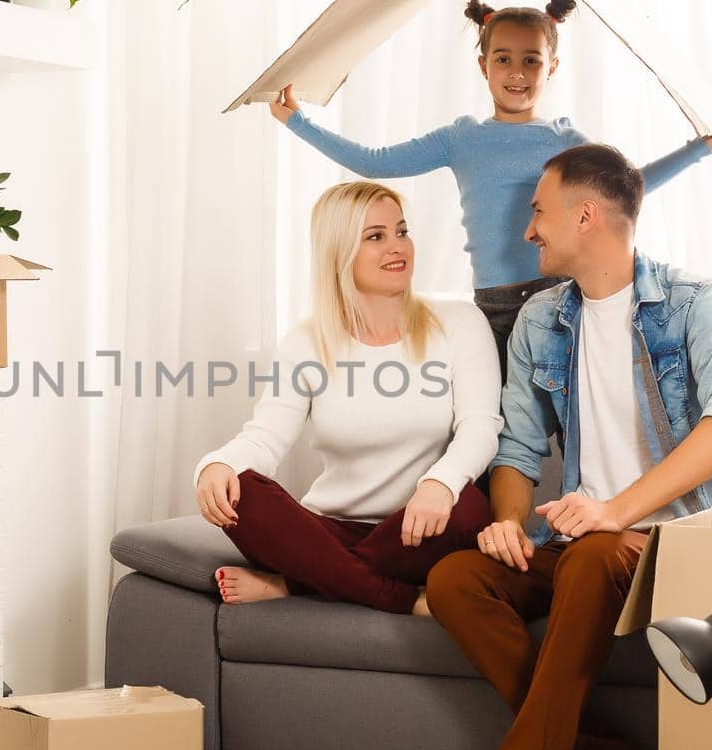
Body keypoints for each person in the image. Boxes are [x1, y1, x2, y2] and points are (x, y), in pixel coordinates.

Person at [424, 144, 712, 750]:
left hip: (678, 542)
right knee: (457, 578)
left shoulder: (691, 299)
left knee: (588, 553)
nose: (528, 232)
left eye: (539, 213)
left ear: (586, 216)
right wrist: (509, 522)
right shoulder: (542, 319)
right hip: (586, 541)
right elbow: (515, 447)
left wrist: (617, 511)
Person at [271, 0, 712, 365]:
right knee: (497, 426)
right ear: (483, 65)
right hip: (494, 306)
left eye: (531, 60)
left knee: (574, 419)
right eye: (504, 59)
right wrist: (298, 122)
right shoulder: (462, 138)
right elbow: (374, 162)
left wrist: (699, 148)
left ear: (552, 67)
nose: (517, 72)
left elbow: (626, 188)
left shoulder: (566, 140)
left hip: (560, 299)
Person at [194, 180, 501, 615]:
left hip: (417, 528)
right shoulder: (305, 343)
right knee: (242, 489)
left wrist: (438, 484)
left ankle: (301, 583)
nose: (397, 247)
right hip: (328, 533)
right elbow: (263, 439)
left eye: (401, 230)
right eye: (375, 237)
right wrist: (216, 466)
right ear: (339, 252)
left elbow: (481, 425)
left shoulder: (459, 322)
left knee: (468, 507)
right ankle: (402, 600)